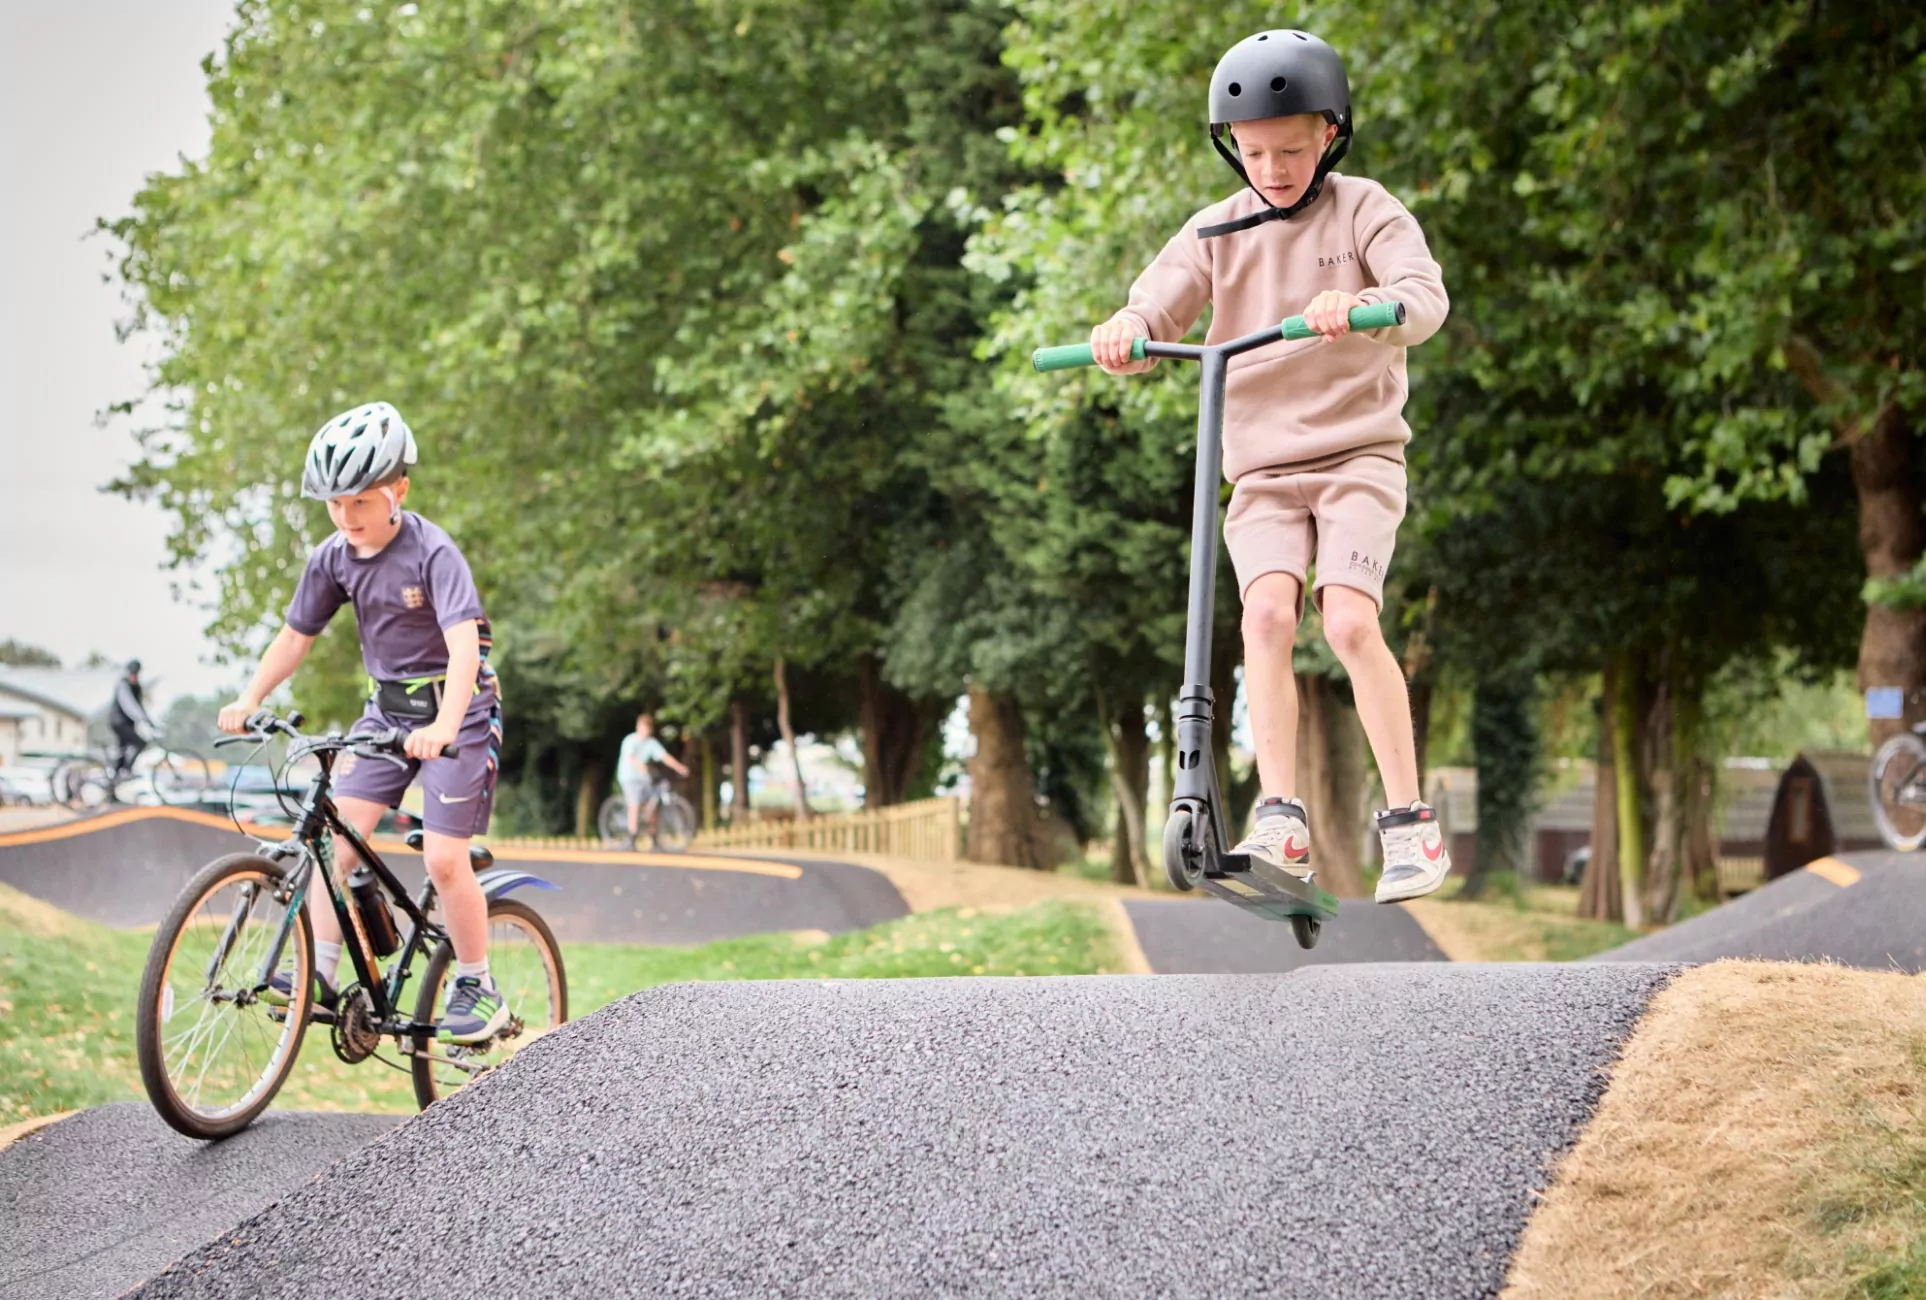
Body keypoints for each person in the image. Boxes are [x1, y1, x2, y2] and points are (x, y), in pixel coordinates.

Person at [1088, 30, 1452, 903]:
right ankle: (1281, 819)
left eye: (1290, 150)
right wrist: (1127, 332)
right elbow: (1155, 306)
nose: (1273, 168)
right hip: (1261, 474)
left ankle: (1410, 824)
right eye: (1254, 152)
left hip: (1357, 456)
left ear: (1329, 134)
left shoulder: (1366, 209)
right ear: (1232, 147)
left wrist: (1364, 305)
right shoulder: (1217, 229)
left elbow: (1424, 298)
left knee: (1351, 621)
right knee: (1265, 618)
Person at [217, 401, 510, 1043]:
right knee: (332, 845)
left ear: (398, 489)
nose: (347, 518)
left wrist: (446, 727)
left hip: (457, 712)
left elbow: (466, 648)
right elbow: (295, 638)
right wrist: (250, 698)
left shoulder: (433, 552)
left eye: (360, 502)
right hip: (386, 712)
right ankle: (320, 968)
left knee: (443, 860)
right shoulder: (332, 557)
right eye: (334, 504)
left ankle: (477, 984)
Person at [617, 712, 689, 848]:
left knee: (653, 804)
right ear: (638, 727)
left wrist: (679, 767)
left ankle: (653, 836)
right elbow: (629, 757)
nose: (645, 731)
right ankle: (632, 837)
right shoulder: (630, 740)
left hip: (643, 777)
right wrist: (639, 764)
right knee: (635, 804)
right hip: (629, 777)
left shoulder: (651, 743)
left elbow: (664, 756)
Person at [106, 659, 156, 785]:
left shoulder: (136, 687)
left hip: (126, 723)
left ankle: (113, 782)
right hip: (119, 722)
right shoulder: (123, 685)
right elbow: (129, 705)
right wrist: (143, 718)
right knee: (140, 742)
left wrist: (149, 720)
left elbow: (140, 706)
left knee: (122, 751)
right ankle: (126, 770)